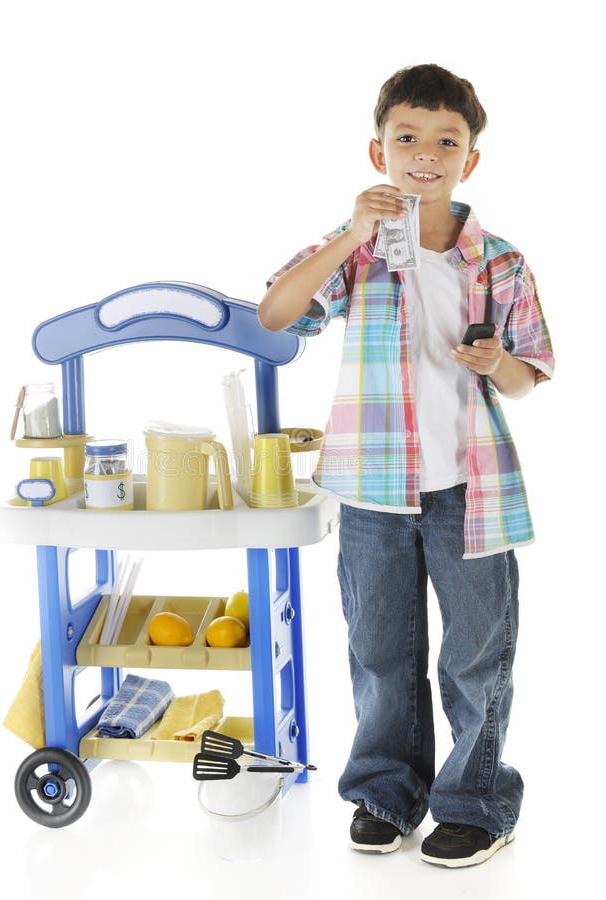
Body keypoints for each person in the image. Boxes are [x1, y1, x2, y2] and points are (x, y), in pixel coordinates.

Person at [257, 63, 554, 869]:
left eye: (447, 141)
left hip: (472, 489)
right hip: (372, 492)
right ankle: (387, 794)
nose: (427, 153)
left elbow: (528, 378)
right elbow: (277, 313)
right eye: (408, 138)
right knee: (382, 654)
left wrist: (496, 363)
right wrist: (352, 232)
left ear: (471, 159)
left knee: (475, 656)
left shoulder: (499, 261)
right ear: (378, 149)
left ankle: (476, 802)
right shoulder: (359, 251)